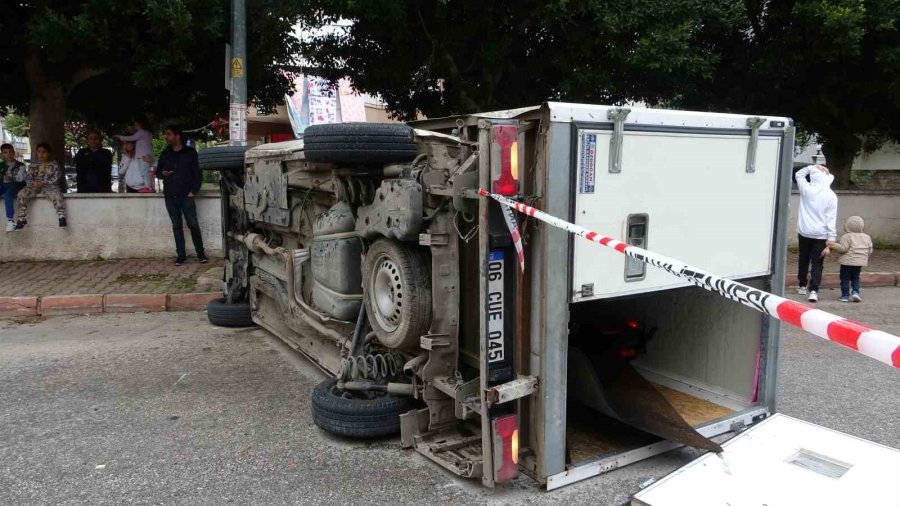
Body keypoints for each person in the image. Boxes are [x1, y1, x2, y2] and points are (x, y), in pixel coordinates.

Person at [156, 125, 207, 265]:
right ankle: (181, 255)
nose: (166, 137)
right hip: (170, 195)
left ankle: (201, 254)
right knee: (176, 225)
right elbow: (158, 172)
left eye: (168, 134)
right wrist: (163, 174)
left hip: (186, 195)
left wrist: (193, 191)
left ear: (177, 136)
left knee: (193, 224)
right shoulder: (165, 153)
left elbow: (198, 173)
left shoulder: (190, 153)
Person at [795, 164, 837, 303]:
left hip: (804, 231)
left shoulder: (806, 189)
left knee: (803, 259)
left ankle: (801, 285)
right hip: (821, 234)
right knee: (817, 263)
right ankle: (813, 290)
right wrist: (831, 238)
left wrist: (813, 166)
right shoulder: (831, 195)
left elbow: (799, 175)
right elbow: (831, 218)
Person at [15, 143, 67, 228]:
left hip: (49, 186)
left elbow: (56, 178)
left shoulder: (54, 165)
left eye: (44, 152)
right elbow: (28, 178)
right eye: (39, 152)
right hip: (33, 186)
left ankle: (61, 216)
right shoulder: (33, 165)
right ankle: (21, 218)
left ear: (49, 153)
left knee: (57, 194)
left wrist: (43, 183)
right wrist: (33, 183)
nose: (41, 154)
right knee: (22, 193)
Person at [827, 216, 873, 303]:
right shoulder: (867, 237)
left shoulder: (846, 236)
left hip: (847, 263)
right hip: (859, 263)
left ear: (848, 226)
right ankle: (856, 292)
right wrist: (863, 258)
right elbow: (870, 250)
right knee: (856, 278)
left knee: (845, 278)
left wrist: (832, 245)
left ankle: (845, 296)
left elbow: (843, 249)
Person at [114, 119, 155, 188]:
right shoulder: (125, 156)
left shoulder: (143, 153)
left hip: (144, 188)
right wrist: (128, 158)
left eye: (128, 143)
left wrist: (153, 162)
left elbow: (156, 167)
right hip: (130, 187)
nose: (126, 145)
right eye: (125, 144)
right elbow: (121, 172)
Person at [0, 143, 27, 232]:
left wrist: (11, 177)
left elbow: (21, 178)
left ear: (14, 153)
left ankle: (10, 220)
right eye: (5, 152)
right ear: (2, 154)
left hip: (15, 185)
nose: (8, 154)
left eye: (10, 152)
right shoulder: (1, 165)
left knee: (8, 195)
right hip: (2, 185)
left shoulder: (20, 165)